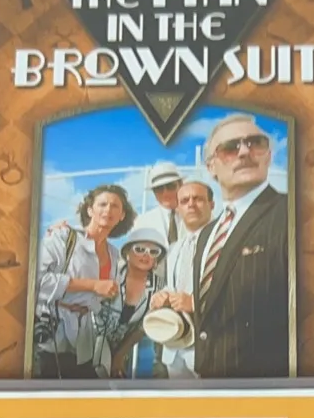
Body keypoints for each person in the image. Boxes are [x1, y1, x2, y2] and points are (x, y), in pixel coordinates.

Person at [188, 114, 292, 378]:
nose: (245, 152)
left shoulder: (293, 215)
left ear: (268, 156)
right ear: (211, 167)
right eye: (230, 148)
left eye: (256, 143)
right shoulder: (206, 235)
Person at [32, 183, 136, 378]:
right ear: (89, 210)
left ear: (122, 215)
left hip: (85, 344)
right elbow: (34, 281)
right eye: (102, 204)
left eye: (115, 206)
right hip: (51, 338)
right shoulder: (63, 237)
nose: (108, 210)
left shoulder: (115, 255)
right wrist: (93, 285)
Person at [146, 177, 215, 375]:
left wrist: (195, 303)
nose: (191, 204)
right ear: (178, 208)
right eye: (184, 201)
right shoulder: (174, 249)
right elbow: (173, 285)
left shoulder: (222, 243)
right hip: (174, 346)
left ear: (211, 204)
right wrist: (161, 296)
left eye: (198, 199)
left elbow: (234, 288)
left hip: (208, 347)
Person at [108, 213, 172, 377]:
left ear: (157, 260)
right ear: (127, 253)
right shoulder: (110, 273)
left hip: (120, 351)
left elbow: (142, 327)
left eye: (153, 252)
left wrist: (120, 355)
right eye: (140, 249)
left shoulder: (159, 287)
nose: (146, 255)